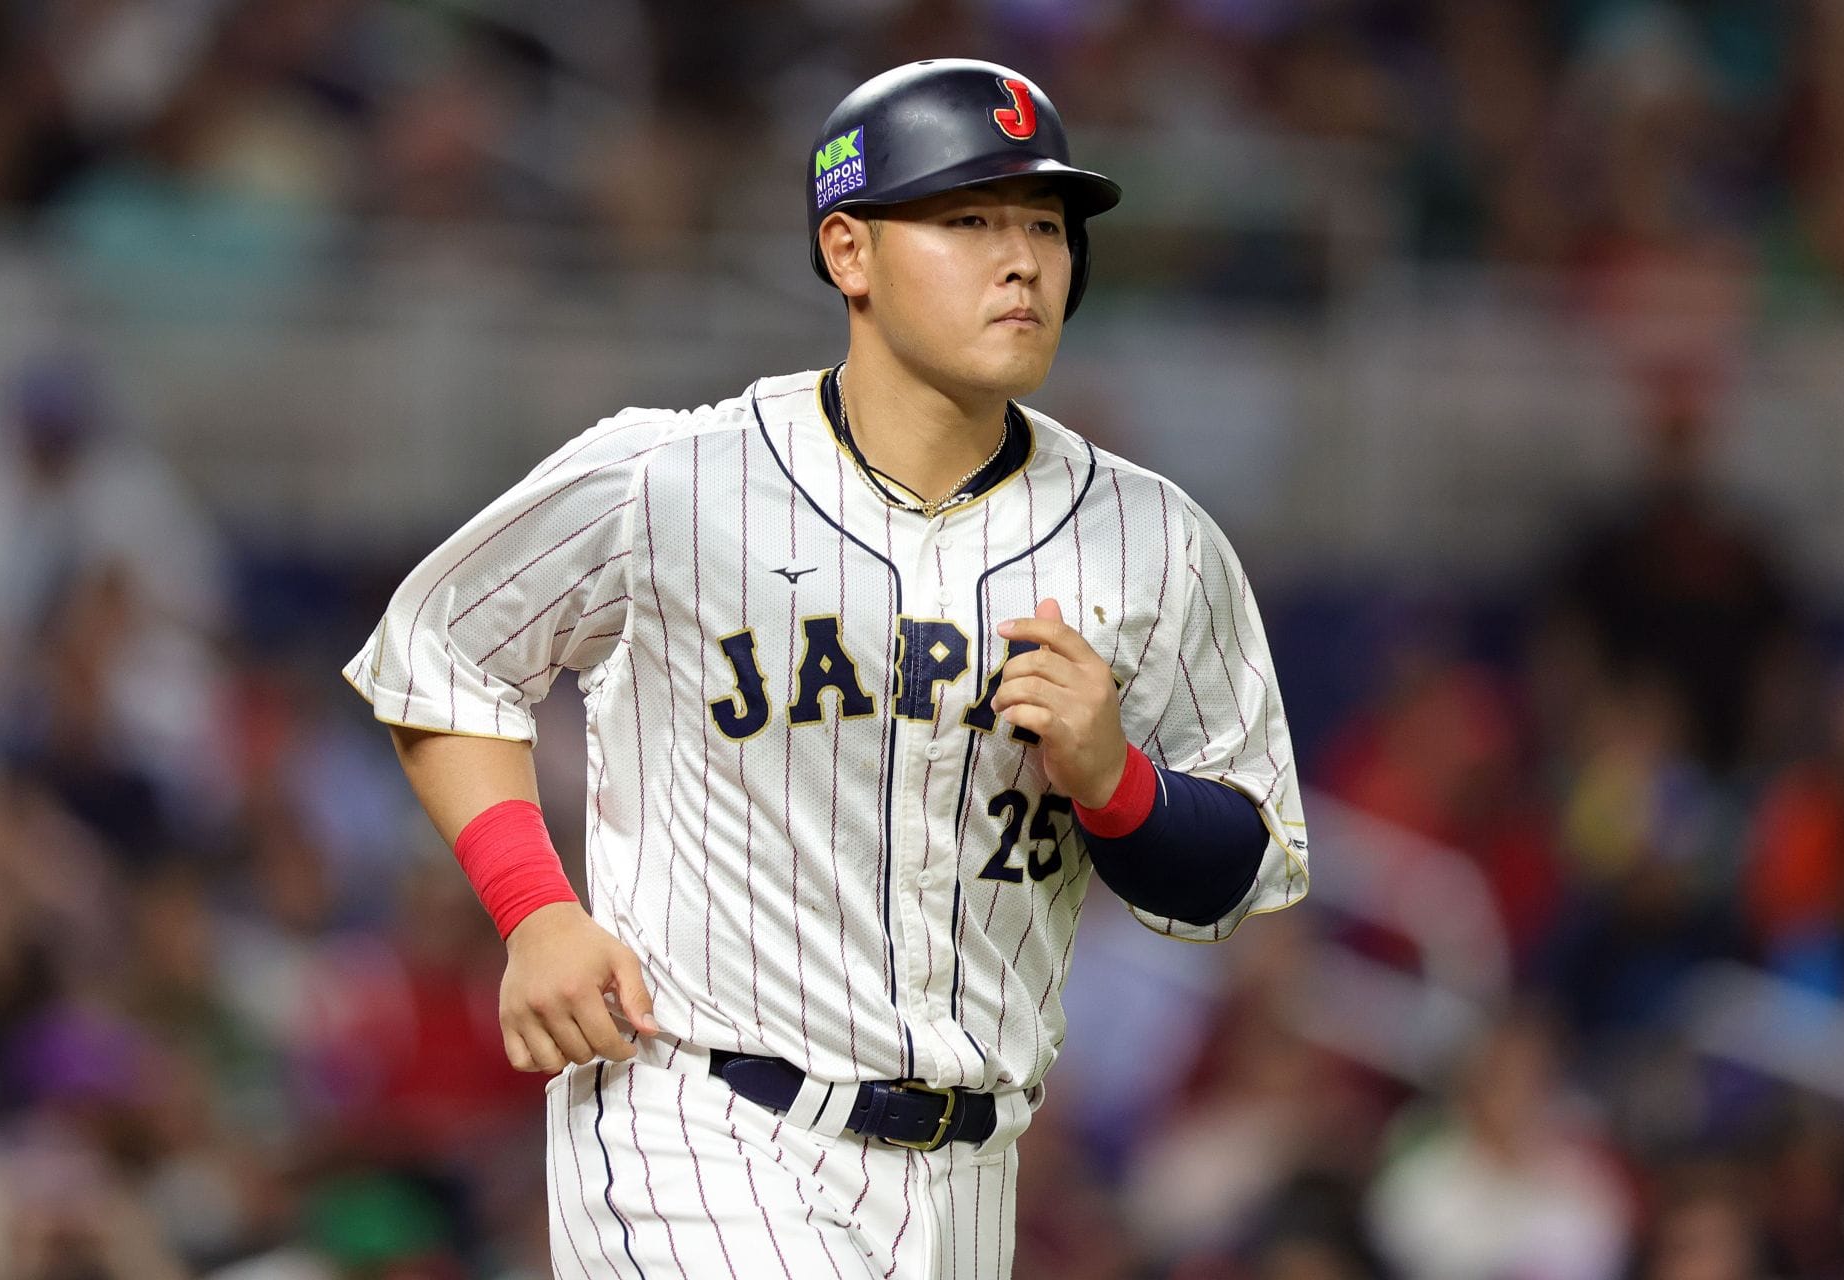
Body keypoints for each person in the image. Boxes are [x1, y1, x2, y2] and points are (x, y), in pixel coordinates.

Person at [345, 58, 1308, 1278]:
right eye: (969, 219)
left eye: (1046, 226)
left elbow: (1237, 870)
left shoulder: (1155, 540)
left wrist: (1116, 779)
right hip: (698, 1120)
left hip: (971, 1173)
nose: (1024, 260)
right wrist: (536, 909)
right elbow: (439, 655)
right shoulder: (673, 480)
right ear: (848, 251)